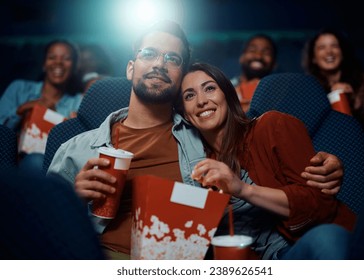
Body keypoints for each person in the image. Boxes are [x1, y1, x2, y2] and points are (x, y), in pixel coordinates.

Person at [47, 20, 344, 259]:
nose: (160, 64)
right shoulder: (75, 149)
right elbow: (39, 235)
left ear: (179, 79)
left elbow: (254, 186)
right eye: (149, 54)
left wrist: (324, 165)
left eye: (172, 58)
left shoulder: (205, 141)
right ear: (130, 67)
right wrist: (71, 201)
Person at [179, 62, 356, 259]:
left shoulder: (273, 126)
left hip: (296, 249)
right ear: (185, 114)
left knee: (327, 238)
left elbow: (321, 204)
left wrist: (243, 189)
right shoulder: (195, 165)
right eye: (189, 95)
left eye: (210, 88)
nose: (201, 101)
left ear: (227, 95)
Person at [302, 28, 364, 177]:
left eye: (334, 46)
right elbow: (308, 129)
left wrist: (354, 101)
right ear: (314, 58)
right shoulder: (308, 89)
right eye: (322, 47)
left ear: (342, 52)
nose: (329, 52)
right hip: (329, 151)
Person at [0, 39, 83, 170]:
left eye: (66, 58)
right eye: (52, 57)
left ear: (74, 66)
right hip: (10, 160)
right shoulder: (19, 89)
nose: (58, 62)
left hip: (52, 166)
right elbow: (1, 129)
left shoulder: (79, 101)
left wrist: (75, 129)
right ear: (44, 64)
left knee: (36, 162)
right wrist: (20, 111)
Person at [231, 34, 277, 112]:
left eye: (266, 53)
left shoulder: (280, 95)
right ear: (241, 58)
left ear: (274, 64)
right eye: (252, 50)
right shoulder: (225, 89)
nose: (258, 56)